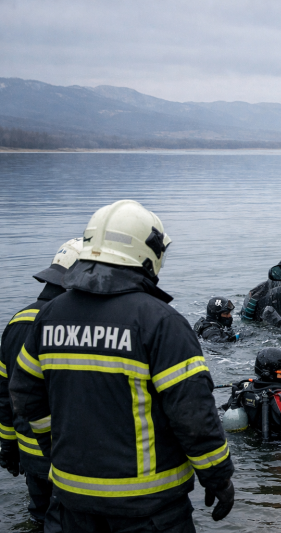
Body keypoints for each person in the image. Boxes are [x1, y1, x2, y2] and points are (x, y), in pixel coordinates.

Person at [9, 200, 235, 532]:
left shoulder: (49, 317)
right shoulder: (161, 322)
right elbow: (193, 414)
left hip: (70, 502)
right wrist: (218, 476)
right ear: (147, 253)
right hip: (149, 508)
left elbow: (24, 393)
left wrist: (55, 447)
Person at [0, 237, 82, 529]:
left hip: (30, 454)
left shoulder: (16, 322)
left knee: (39, 519)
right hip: (71, 459)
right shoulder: (74, 326)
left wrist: (8, 445)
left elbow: (5, 394)